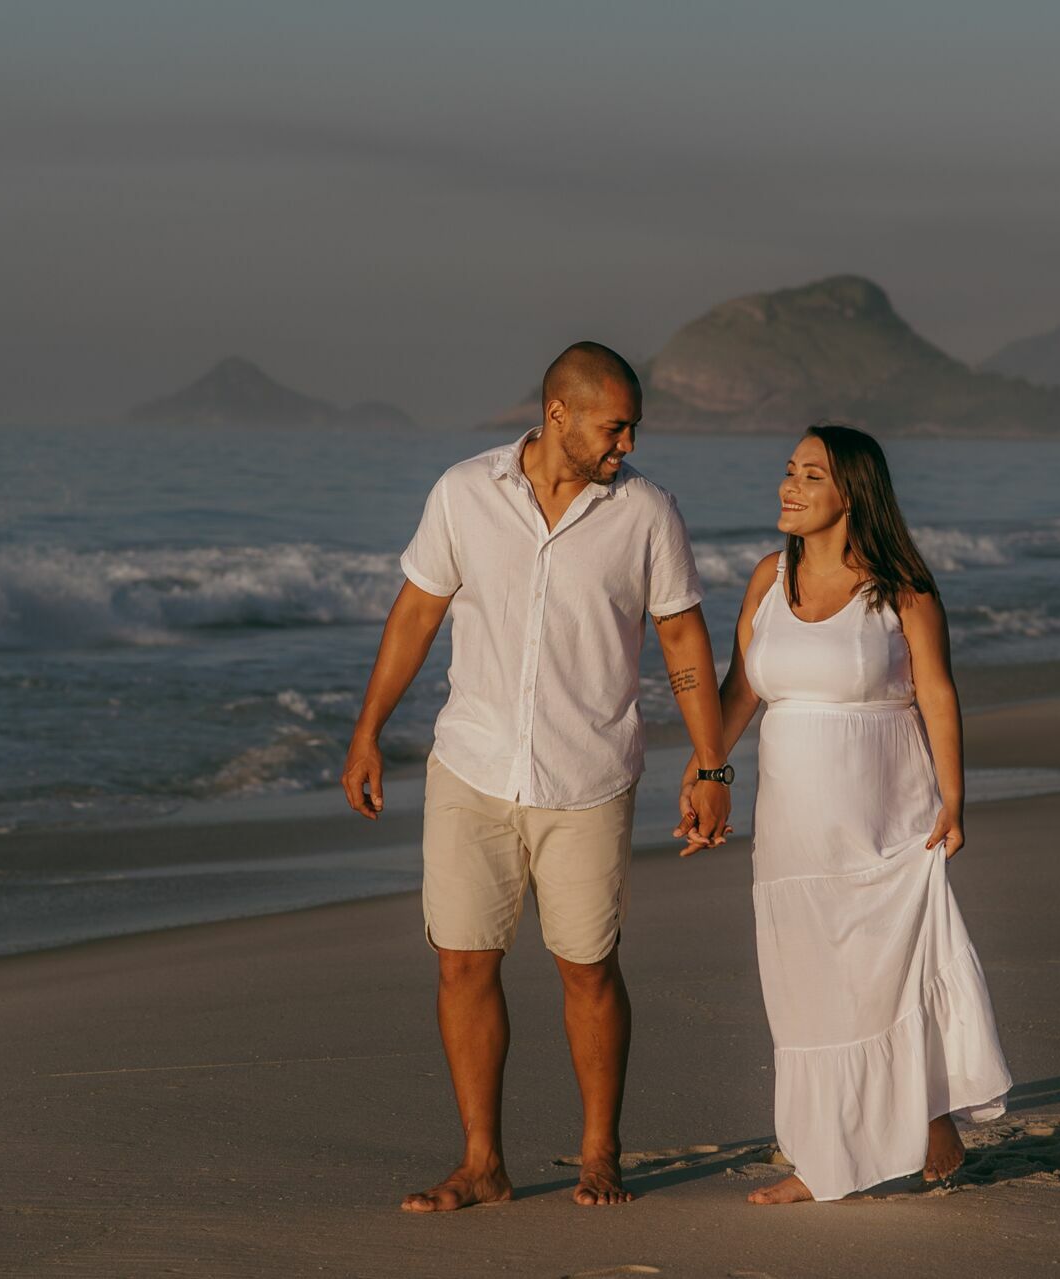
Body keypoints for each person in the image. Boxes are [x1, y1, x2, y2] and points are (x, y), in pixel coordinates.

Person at [343, 341, 734, 1212]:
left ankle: (602, 1151)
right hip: (471, 766)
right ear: (559, 412)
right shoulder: (463, 493)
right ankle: (482, 1161)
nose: (625, 444)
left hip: (588, 774)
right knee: (461, 964)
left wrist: (711, 764)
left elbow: (682, 640)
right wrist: (367, 729)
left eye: (631, 428)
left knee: (588, 967)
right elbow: (416, 612)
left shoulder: (646, 513)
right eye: (614, 425)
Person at [676, 423, 1013, 1204]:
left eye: (811, 476)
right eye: (788, 471)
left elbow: (937, 692)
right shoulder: (768, 579)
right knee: (806, 980)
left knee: (882, 976)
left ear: (852, 492)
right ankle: (864, 1145)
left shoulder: (901, 589)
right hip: (792, 826)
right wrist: (704, 776)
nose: (789, 486)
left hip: (883, 816)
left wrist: (955, 798)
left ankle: (877, 1145)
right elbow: (737, 696)